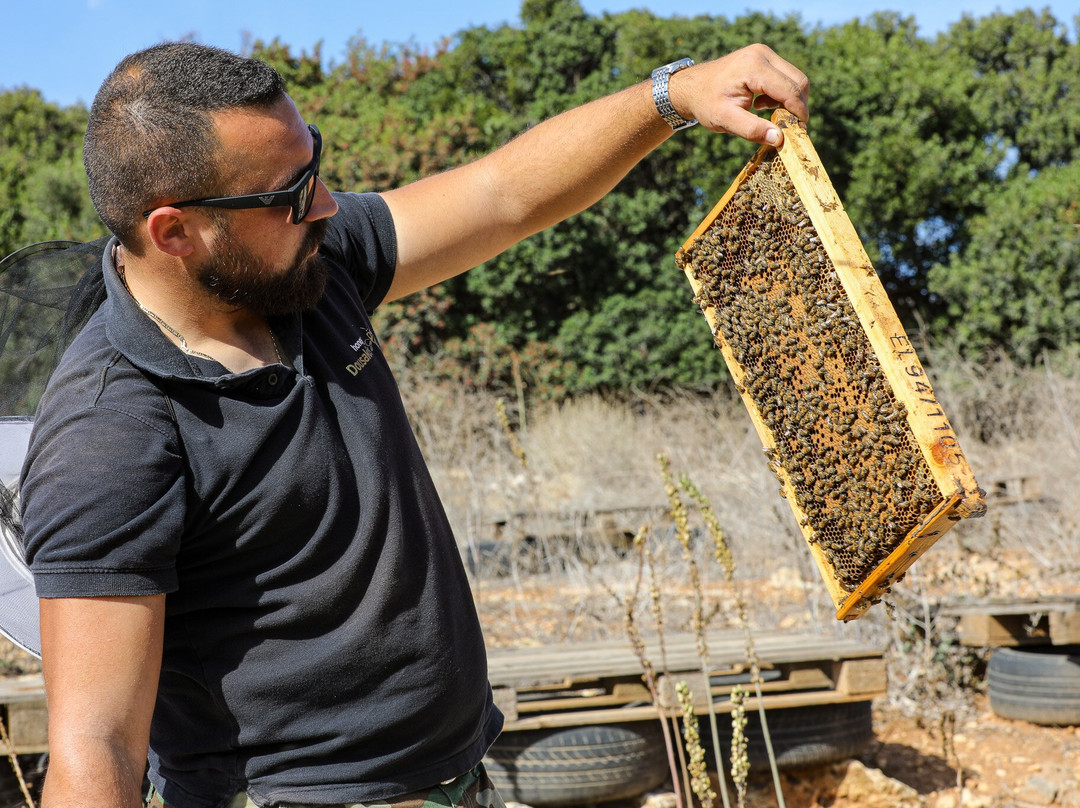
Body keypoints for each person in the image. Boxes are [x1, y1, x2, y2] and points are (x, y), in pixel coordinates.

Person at [19, 40, 808, 808]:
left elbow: (502, 195)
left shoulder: (305, 264)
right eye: (291, 193)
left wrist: (673, 95)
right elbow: (96, 748)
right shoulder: (108, 435)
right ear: (174, 233)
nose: (326, 205)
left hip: (454, 776)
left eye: (315, 165)